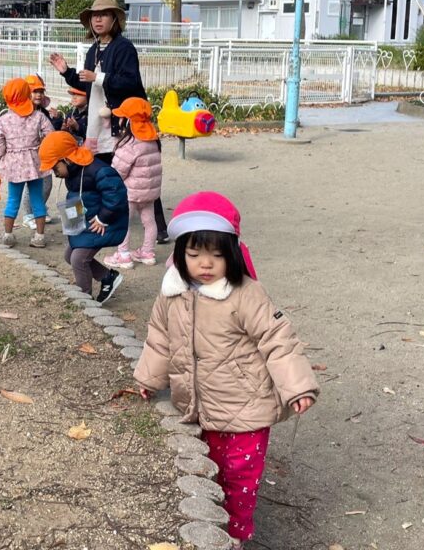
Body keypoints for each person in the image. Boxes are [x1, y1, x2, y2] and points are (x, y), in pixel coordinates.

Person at [134, 192, 319, 547]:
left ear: (232, 253)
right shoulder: (172, 293)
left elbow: (277, 338)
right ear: (179, 254)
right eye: (194, 254)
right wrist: (148, 378)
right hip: (199, 407)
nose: (205, 264)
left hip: (246, 408)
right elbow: (159, 338)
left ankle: (236, 536)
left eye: (216, 255)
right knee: (209, 471)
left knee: (239, 478)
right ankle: (210, 528)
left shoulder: (246, 294)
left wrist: (297, 387)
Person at [48, 0, 170, 243]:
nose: (98, 19)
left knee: (138, 175)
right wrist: (66, 72)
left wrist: (99, 77)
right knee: (85, 172)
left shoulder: (124, 48)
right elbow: (87, 84)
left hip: (122, 126)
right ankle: (84, 222)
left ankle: (159, 228)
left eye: (103, 15)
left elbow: (131, 82)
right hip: (96, 126)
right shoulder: (93, 50)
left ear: (114, 19)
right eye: (94, 15)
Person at [39, 131, 129, 303]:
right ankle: (107, 277)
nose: (54, 173)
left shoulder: (99, 170)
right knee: (69, 255)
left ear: (66, 159)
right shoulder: (74, 171)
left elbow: (116, 194)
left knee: (78, 259)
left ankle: (84, 299)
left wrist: (104, 218)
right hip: (87, 220)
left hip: (103, 222)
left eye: (55, 167)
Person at [0, 78, 54, 248]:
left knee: (13, 199)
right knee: (37, 199)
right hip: (34, 162)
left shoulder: (3, 120)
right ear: (27, 94)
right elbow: (51, 135)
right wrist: (42, 150)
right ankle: (39, 236)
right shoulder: (39, 116)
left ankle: (8, 235)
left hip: (13, 164)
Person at [105, 98, 163, 269]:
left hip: (130, 193)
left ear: (128, 121)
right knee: (149, 221)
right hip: (150, 192)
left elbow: (118, 171)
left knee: (123, 222)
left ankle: (123, 255)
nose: (119, 120)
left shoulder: (129, 144)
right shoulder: (153, 140)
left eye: (122, 117)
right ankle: (147, 252)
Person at [20, 74, 61, 228]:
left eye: (40, 91)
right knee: (31, 183)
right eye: (34, 91)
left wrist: (56, 119)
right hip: (29, 153)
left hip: (43, 153)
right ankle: (28, 214)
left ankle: (39, 209)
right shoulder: (23, 112)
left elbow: (51, 131)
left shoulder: (43, 112)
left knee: (46, 183)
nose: (38, 94)